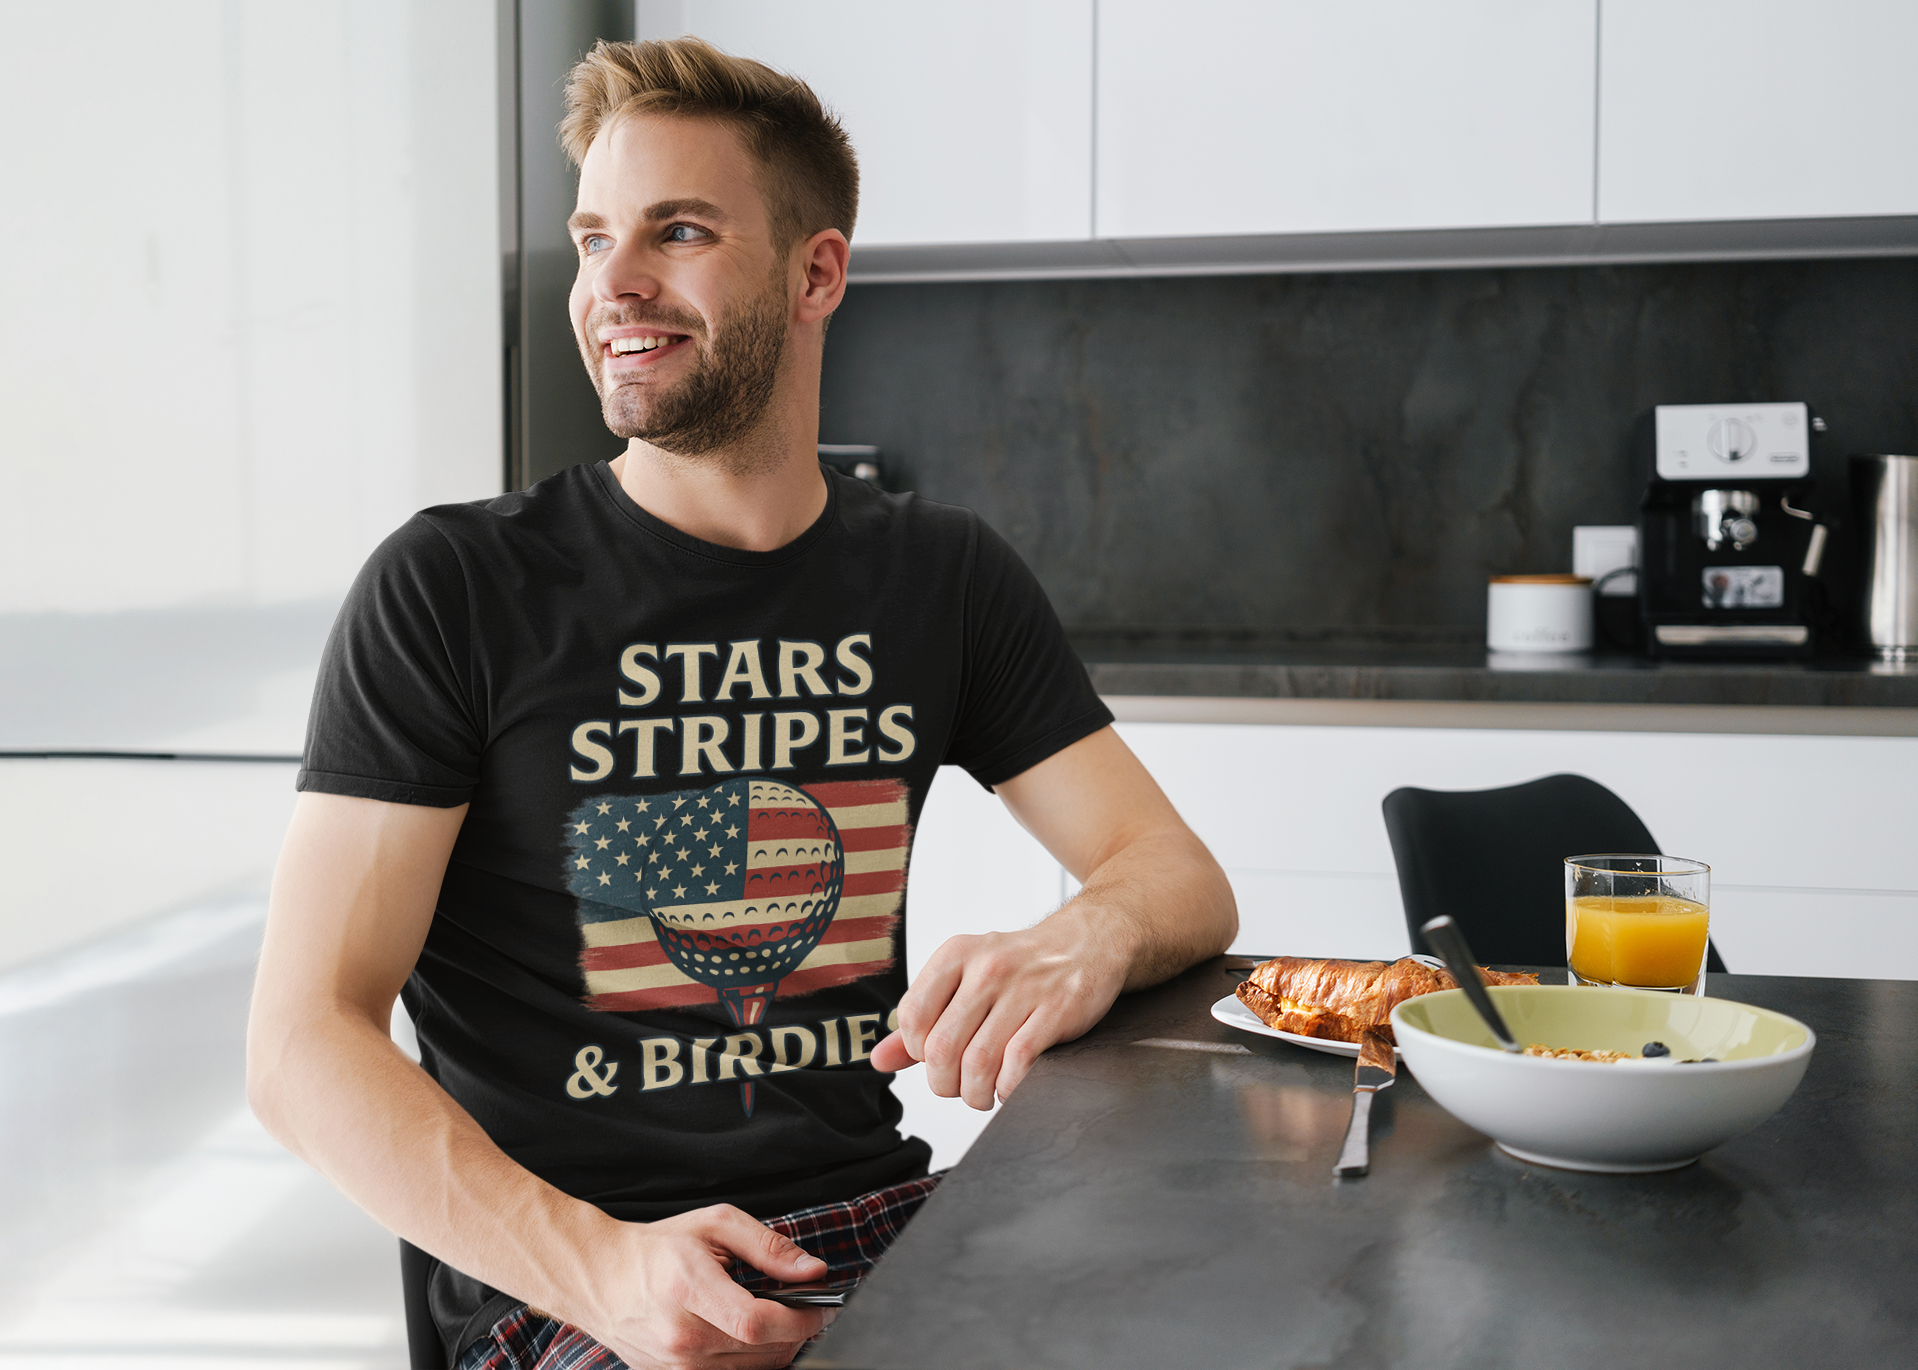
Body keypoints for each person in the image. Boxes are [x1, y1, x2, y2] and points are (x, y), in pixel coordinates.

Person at [246, 36, 1236, 1370]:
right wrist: (604, 1269)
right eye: (593, 238)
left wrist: (1088, 933)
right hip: (579, 1285)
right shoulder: (454, 587)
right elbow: (300, 1043)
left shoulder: (940, 576)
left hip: (875, 1221)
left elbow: (1174, 873)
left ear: (815, 273)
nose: (613, 282)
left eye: (680, 231)